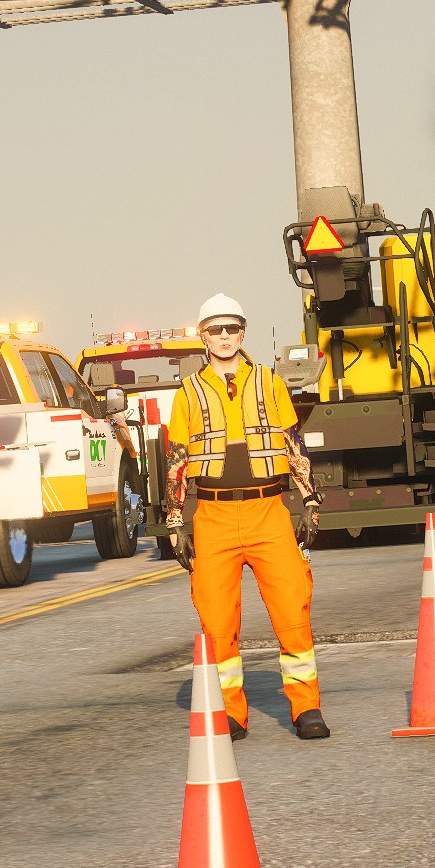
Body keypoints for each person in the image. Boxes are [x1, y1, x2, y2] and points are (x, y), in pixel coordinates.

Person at [163, 294, 328, 741]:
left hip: (268, 512)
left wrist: (310, 499)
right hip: (213, 517)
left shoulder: (269, 383)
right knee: (217, 624)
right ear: (203, 336)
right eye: (215, 329)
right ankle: (231, 714)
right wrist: (175, 521)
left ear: (243, 332)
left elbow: (293, 444)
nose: (224, 337)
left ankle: (306, 709)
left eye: (231, 328)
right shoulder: (188, 393)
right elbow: (177, 459)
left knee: (293, 612)